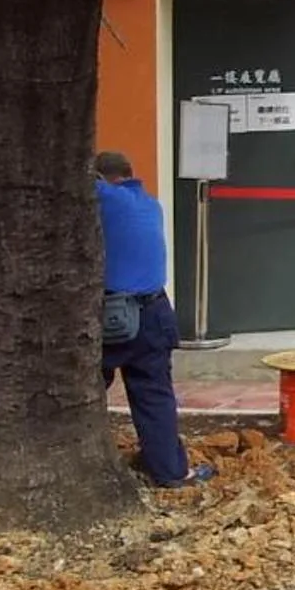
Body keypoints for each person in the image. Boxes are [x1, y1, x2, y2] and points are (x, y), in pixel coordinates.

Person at [96, 151, 212, 488]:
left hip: (114, 316)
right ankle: (171, 471)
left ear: (104, 178)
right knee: (154, 396)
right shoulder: (150, 204)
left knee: (82, 388)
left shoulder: (106, 197)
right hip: (157, 313)